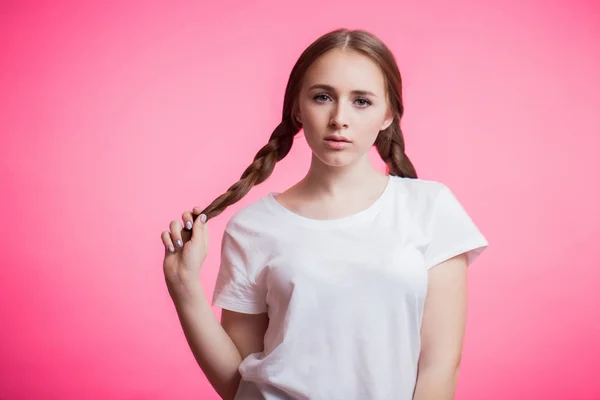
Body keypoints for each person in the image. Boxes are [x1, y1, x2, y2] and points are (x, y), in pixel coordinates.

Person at [161, 28, 489, 400]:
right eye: (322, 97)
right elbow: (239, 381)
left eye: (361, 101)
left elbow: (440, 366)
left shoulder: (430, 208)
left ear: (388, 115)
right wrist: (184, 287)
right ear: (297, 108)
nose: (339, 118)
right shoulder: (252, 227)